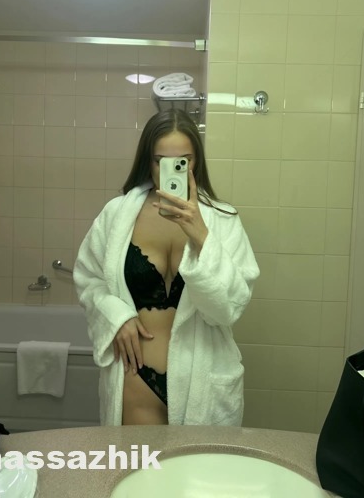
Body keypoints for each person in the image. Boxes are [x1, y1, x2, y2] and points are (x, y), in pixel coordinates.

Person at [73, 109, 259, 426]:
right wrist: (115, 317)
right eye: (161, 161)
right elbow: (89, 279)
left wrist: (201, 235)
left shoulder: (223, 221)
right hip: (135, 381)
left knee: (198, 461)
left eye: (182, 161)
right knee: (138, 460)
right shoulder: (117, 215)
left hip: (203, 384)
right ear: (148, 161)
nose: (170, 170)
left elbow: (228, 309)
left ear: (196, 162)